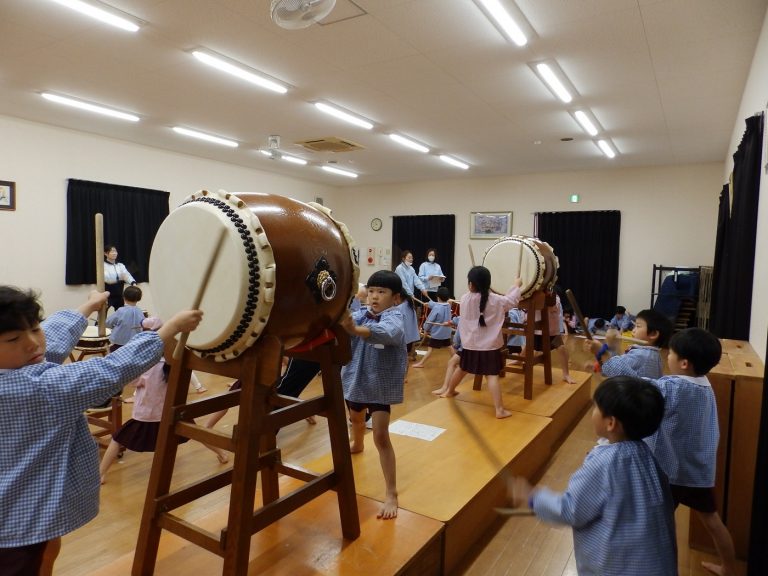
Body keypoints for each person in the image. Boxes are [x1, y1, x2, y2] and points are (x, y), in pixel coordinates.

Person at [0, 285, 201, 575]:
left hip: (22, 511)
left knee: (46, 550)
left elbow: (51, 340)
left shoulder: (21, 370)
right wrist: (168, 330)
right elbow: (109, 371)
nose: (33, 342)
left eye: (35, 328)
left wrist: (88, 307)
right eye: (14, 338)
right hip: (21, 520)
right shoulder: (40, 387)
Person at [510, 376, 677, 575]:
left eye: (596, 408)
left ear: (611, 423)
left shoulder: (603, 463)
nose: (593, 412)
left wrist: (533, 497)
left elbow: (570, 510)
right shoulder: (648, 455)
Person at [606, 328, 737, 576]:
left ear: (684, 363)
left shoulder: (676, 388)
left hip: (672, 473)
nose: (667, 357)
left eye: (672, 354)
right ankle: (729, 568)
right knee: (712, 521)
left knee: (652, 523)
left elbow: (638, 388)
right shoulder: (704, 385)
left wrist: (611, 354)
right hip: (699, 472)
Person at [99, 317, 224, 480]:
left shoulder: (147, 365)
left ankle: (100, 474)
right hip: (170, 414)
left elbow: (132, 381)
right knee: (197, 433)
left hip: (147, 415)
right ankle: (221, 453)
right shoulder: (174, 363)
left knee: (117, 439)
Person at [340, 270, 406, 519]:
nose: (375, 296)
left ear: (395, 298)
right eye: (372, 290)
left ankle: (391, 493)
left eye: (382, 292)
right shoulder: (359, 314)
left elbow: (390, 333)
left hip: (379, 384)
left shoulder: (396, 318)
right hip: (355, 379)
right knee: (355, 420)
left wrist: (357, 330)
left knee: (380, 436)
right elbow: (342, 322)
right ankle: (357, 444)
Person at [439, 266, 521, 419]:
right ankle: (499, 410)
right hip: (489, 347)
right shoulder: (496, 300)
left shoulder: (464, 299)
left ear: (470, 284)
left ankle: (449, 391)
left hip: (470, 345)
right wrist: (515, 285)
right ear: (489, 284)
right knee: (492, 376)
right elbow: (512, 301)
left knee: (462, 368)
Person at [590, 308, 673, 380]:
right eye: (634, 326)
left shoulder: (641, 355)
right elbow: (620, 364)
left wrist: (601, 350)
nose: (633, 330)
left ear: (653, 334)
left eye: (638, 326)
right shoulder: (652, 353)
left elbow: (614, 370)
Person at [413, 286, 452, 369]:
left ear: (437, 297)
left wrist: (425, 328)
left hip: (438, 334)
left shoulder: (437, 308)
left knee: (430, 349)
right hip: (446, 332)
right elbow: (439, 305)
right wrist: (430, 304)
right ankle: (457, 360)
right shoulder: (448, 305)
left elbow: (430, 320)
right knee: (449, 346)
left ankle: (421, 363)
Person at [104, 284, 144, 352]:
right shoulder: (140, 312)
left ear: (124, 297)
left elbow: (108, 323)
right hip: (135, 343)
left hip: (119, 343)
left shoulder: (121, 311)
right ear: (139, 299)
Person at [103, 244, 137, 311]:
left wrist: (133, 283)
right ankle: (99, 322)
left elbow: (126, 275)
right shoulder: (103, 265)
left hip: (118, 293)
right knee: (103, 314)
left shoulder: (120, 265)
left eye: (115, 251)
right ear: (106, 254)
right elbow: (107, 278)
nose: (114, 253)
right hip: (107, 294)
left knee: (121, 312)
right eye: (112, 251)